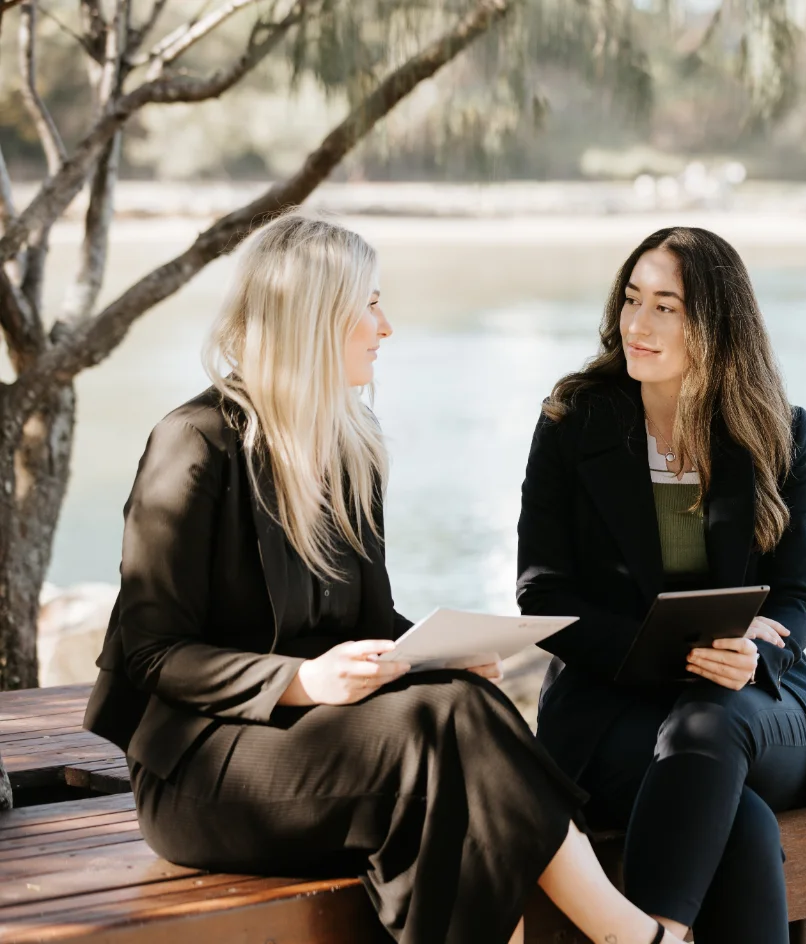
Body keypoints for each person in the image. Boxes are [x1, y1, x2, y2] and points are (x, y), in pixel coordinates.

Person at [83, 214, 681, 944]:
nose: (385, 326)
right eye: (368, 303)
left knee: (461, 700)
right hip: (204, 770)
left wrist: (433, 651)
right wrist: (303, 682)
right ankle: (633, 936)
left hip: (319, 744)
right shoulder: (194, 442)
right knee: (450, 724)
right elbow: (151, 652)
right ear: (314, 318)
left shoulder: (348, 447)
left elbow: (367, 619)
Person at [516, 226, 806, 944]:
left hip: (757, 703)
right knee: (742, 824)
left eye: (666, 307)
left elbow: (797, 593)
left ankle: (655, 933)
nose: (637, 324)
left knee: (711, 717)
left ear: (716, 320)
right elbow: (542, 594)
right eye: (632, 300)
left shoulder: (777, 431)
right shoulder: (573, 422)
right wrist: (655, 654)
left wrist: (760, 655)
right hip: (611, 709)